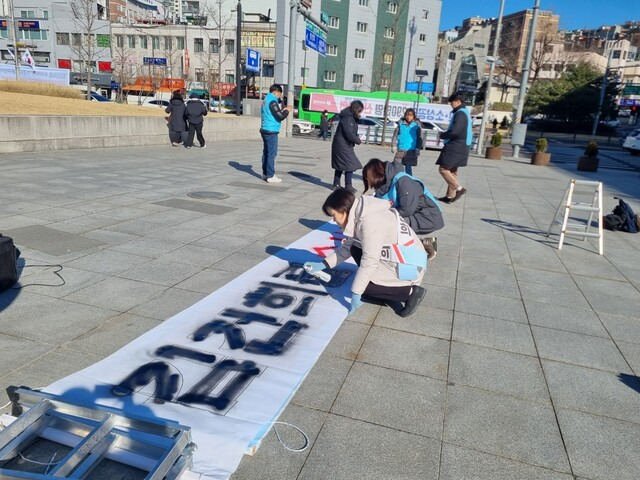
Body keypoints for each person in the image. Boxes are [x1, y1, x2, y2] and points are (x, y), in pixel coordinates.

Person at [304, 189, 427, 317]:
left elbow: (369, 260)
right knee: (354, 249)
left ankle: (411, 292)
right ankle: (383, 288)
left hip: (409, 266)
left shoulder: (370, 221)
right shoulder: (360, 213)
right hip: (399, 257)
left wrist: (357, 292)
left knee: (364, 288)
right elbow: (347, 247)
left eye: (333, 215)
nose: (334, 221)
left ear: (343, 209)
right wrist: (323, 264)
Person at [362, 158, 444, 260]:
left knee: (390, 225)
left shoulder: (403, 181)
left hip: (428, 216)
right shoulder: (384, 185)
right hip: (414, 214)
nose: (368, 182)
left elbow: (407, 210)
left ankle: (417, 247)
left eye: (367, 178)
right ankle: (424, 243)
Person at [436, 92, 472, 203]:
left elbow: (455, 132)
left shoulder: (460, 114)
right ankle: (449, 196)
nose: (451, 104)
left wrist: (443, 135)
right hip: (463, 146)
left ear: (458, 101)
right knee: (452, 171)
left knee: (443, 169)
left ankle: (459, 189)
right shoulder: (465, 112)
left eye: (452, 102)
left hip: (455, 146)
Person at [260, 84, 292, 183]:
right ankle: (270, 175)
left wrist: (282, 110)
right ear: (276, 92)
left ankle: (265, 173)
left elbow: (273, 114)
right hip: (271, 130)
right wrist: (287, 111)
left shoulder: (265, 100)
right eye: (280, 95)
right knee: (271, 153)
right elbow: (280, 116)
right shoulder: (272, 101)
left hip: (265, 129)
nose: (280, 97)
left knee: (266, 152)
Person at [331, 100, 364, 192]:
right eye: (359, 111)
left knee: (341, 164)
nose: (360, 113)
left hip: (343, 144)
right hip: (342, 145)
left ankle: (336, 184)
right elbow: (349, 133)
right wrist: (358, 140)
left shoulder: (350, 117)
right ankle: (348, 185)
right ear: (355, 109)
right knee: (350, 164)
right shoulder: (348, 118)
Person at [391, 108, 423, 175]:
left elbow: (420, 138)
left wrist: (418, 149)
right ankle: (397, 181)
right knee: (397, 167)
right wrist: (393, 145)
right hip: (400, 149)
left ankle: (409, 182)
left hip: (410, 150)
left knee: (408, 168)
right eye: (407, 115)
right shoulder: (400, 124)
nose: (408, 117)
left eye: (411, 115)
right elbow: (395, 136)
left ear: (414, 116)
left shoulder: (416, 126)